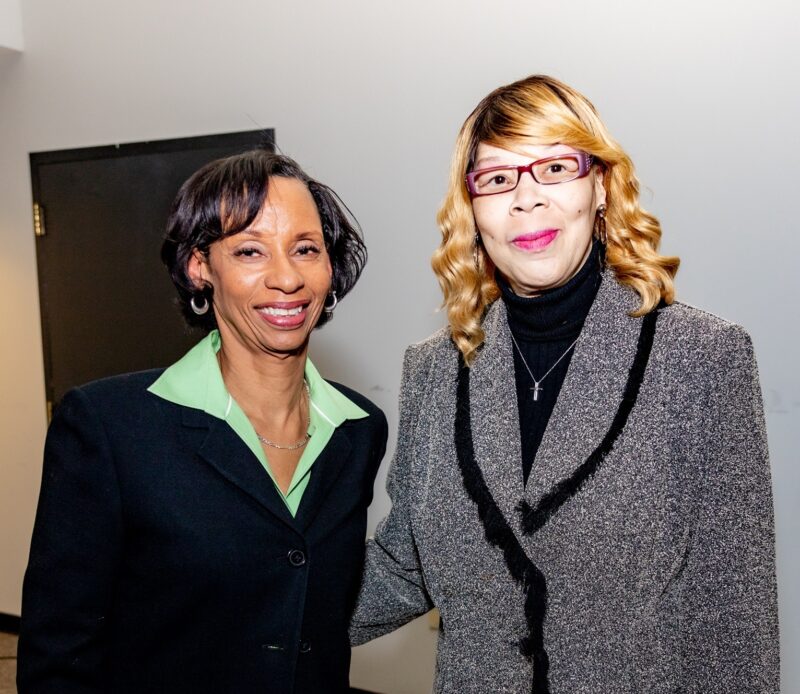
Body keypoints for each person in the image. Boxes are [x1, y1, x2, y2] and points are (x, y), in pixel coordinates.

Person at [351, 75, 779, 693]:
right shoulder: (433, 371)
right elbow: (405, 565)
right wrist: (250, 613)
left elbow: (733, 624)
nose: (526, 199)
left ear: (600, 186)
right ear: (471, 209)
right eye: (497, 179)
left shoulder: (700, 357)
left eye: (554, 168)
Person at [18, 150, 387, 693]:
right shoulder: (110, 428)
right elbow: (58, 655)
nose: (286, 278)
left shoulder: (358, 430)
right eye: (250, 251)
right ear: (199, 266)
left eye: (306, 248)